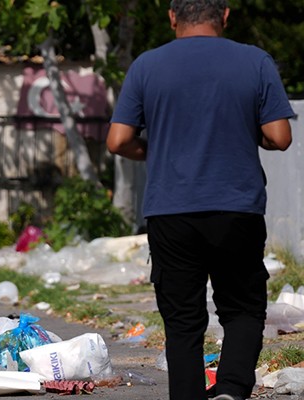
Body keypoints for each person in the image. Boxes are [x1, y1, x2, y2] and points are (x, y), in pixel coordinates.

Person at [106, 1, 295, 399]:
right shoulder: (255, 61)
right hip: (236, 209)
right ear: (224, 15)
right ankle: (229, 390)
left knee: (182, 319)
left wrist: (153, 149)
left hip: (170, 211)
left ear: (173, 17)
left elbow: (118, 140)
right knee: (242, 308)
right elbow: (279, 136)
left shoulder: (146, 65)